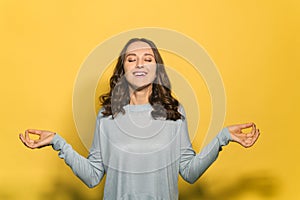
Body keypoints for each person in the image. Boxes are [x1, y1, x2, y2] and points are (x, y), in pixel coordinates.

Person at [19, 38, 260, 200]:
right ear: (123, 70)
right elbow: (93, 176)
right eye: (131, 59)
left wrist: (223, 138)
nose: (139, 64)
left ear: (157, 68)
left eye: (148, 58)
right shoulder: (106, 117)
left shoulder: (175, 113)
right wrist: (58, 142)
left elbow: (188, 172)